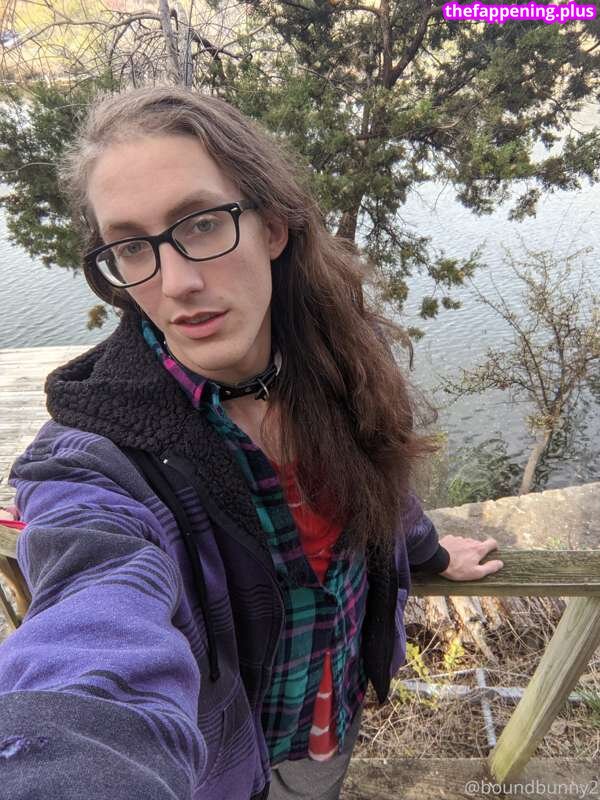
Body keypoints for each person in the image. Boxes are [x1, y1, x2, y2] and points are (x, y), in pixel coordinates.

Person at [0, 85, 503, 800]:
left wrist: (427, 550)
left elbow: (378, 481)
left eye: (202, 223)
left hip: (329, 717)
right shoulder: (97, 460)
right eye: (132, 247)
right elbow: (95, 611)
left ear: (273, 227)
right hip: (219, 767)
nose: (177, 282)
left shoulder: (339, 361)